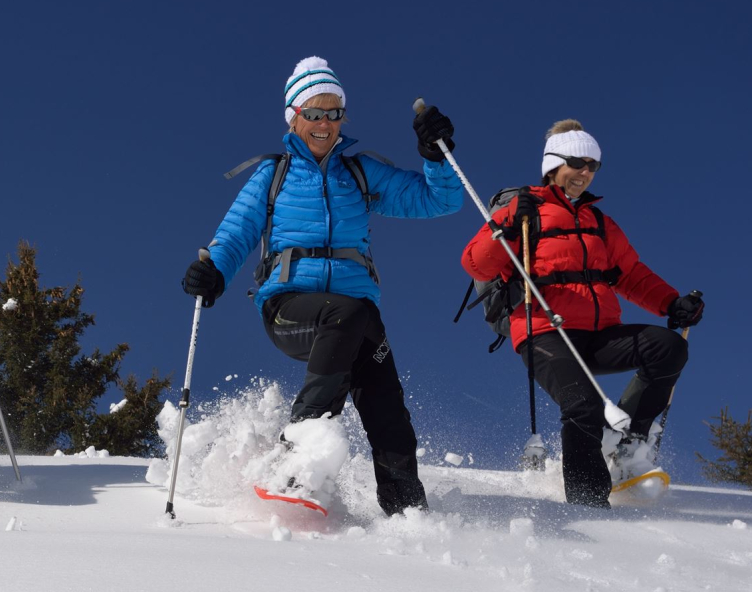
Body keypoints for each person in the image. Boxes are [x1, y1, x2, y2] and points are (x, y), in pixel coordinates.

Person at [181, 56, 462, 516]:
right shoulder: (272, 176)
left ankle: (409, 513)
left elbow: (441, 200)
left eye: (334, 114)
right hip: (290, 308)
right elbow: (235, 235)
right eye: (314, 113)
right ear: (293, 117)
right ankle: (296, 457)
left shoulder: (360, 173)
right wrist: (213, 272)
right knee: (344, 314)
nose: (324, 123)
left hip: (358, 316)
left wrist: (436, 155)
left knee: (389, 411)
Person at [460, 120, 698, 508]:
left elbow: (632, 275)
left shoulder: (600, 223)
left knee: (667, 346)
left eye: (593, 166)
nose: (585, 173)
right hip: (543, 333)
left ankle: (628, 444)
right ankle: (589, 502)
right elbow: (476, 265)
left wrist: (672, 304)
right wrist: (504, 221)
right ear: (553, 164)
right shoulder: (523, 211)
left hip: (600, 334)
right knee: (583, 405)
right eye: (578, 162)